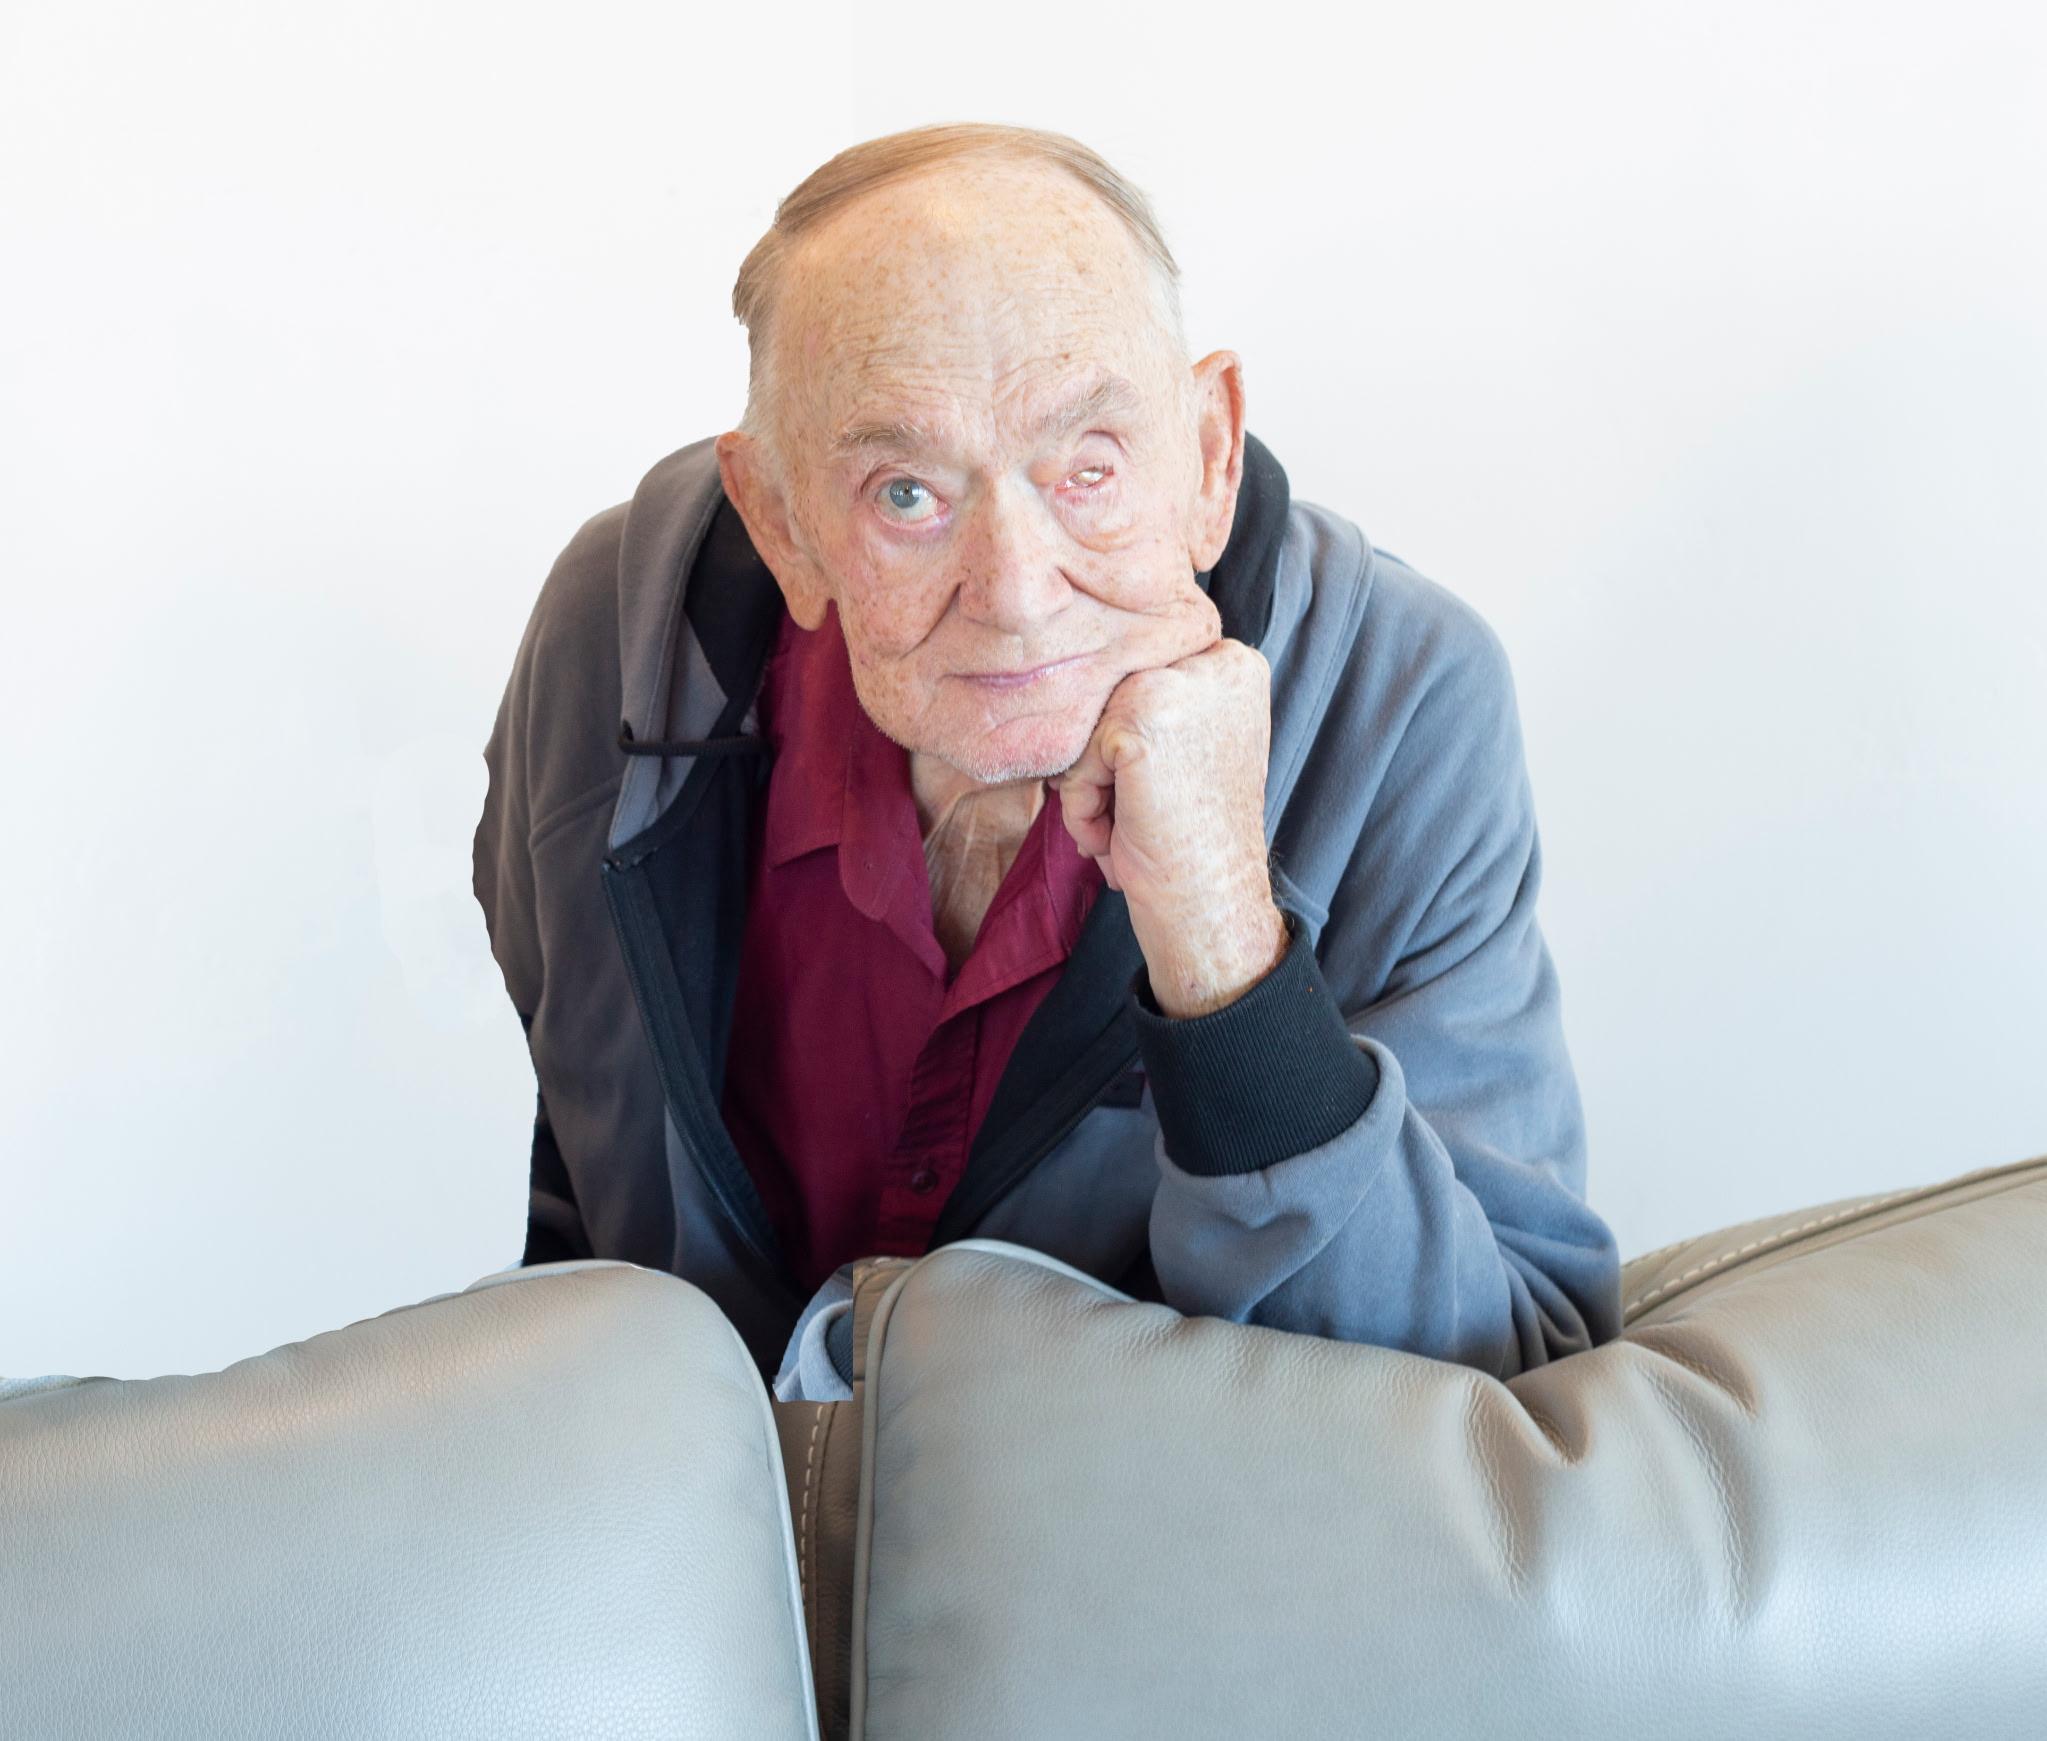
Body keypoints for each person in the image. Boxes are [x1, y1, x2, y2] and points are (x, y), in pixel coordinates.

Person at [471, 121, 1623, 1402]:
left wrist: (1222, 942)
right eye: (907, 493)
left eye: (1087, 466)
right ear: (781, 522)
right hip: (691, 1545)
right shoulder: (618, 645)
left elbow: (1502, 1384)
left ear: (1208, 454)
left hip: (1135, 1577)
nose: (1016, 592)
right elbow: (561, 1205)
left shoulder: (1401, 700)